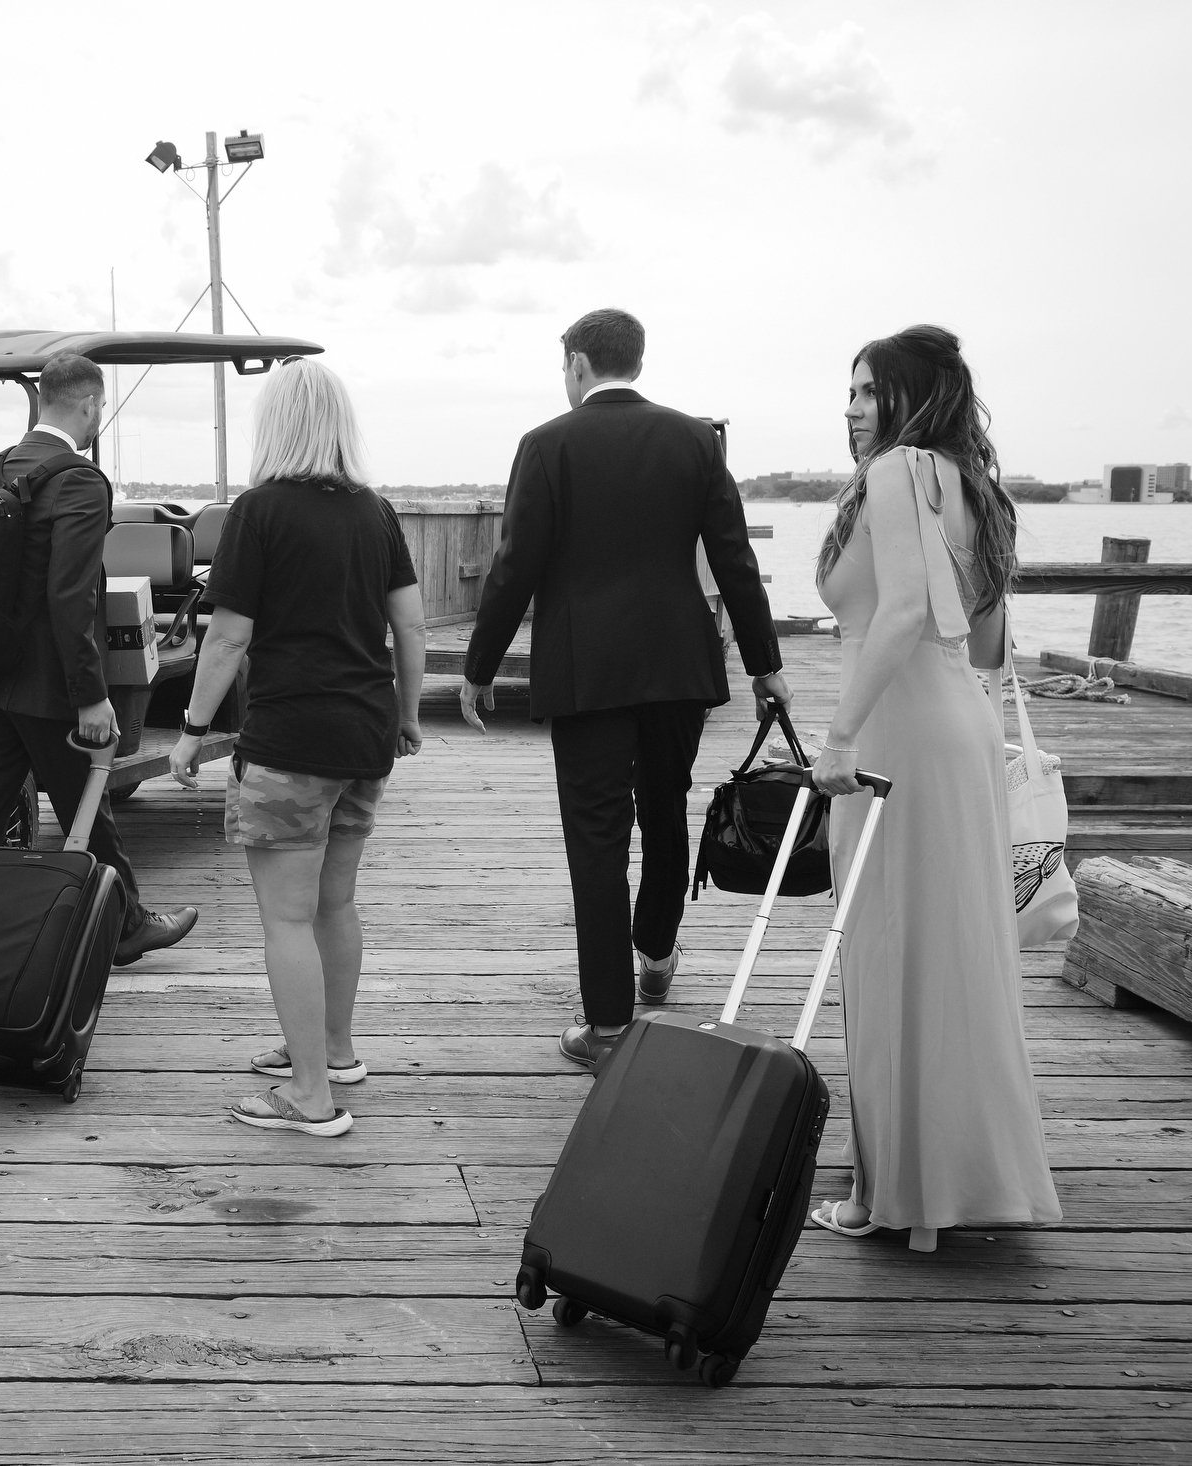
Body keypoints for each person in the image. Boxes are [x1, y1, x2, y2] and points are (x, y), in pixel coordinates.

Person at [461, 309, 787, 1069]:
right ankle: (658, 955)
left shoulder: (546, 445)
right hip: (678, 664)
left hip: (586, 672)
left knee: (597, 840)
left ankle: (607, 1026)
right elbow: (734, 560)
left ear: (577, 364)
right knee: (666, 809)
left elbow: (517, 566)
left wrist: (480, 667)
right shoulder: (694, 441)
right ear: (635, 361)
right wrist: (766, 665)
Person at [807, 324, 1060, 1252]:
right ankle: (956, 1178)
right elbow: (987, 644)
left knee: (884, 958)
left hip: (895, 739)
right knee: (955, 961)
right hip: (961, 730)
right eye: (850, 391)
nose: (854, 408)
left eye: (871, 391)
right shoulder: (975, 488)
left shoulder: (898, 471)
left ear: (913, 399)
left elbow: (907, 610)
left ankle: (891, 1194)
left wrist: (837, 736)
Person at [172, 359, 426, 1137]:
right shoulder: (374, 513)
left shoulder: (260, 511)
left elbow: (229, 635)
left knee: (286, 919)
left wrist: (189, 730)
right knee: (334, 903)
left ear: (276, 422)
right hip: (362, 735)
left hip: (290, 740)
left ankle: (311, 1096)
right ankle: (335, 1051)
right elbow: (409, 626)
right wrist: (407, 715)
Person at [0, 351, 196, 965]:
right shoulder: (81, 481)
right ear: (89, 404)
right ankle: (127, 927)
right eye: (100, 410)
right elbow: (71, 594)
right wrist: (91, 694)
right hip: (47, 685)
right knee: (87, 803)